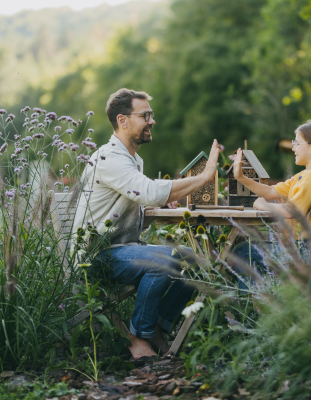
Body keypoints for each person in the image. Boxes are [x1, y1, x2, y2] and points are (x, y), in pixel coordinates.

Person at [72, 88, 220, 359]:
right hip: (95, 255)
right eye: (146, 115)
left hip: (121, 250)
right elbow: (149, 189)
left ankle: (155, 328)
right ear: (123, 120)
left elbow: (137, 194)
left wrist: (151, 203)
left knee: (193, 258)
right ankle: (139, 334)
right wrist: (205, 175)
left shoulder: (131, 159)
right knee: (163, 259)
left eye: (151, 115)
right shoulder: (109, 158)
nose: (152, 121)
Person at [230, 119, 311, 281]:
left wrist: (264, 206)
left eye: (297, 143)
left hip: (309, 251)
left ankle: (251, 302)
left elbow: (293, 211)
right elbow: (271, 190)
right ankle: (263, 297)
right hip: (306, 248)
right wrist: (241, 177)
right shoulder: (304, 176)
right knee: (244, 249)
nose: (293, 147)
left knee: (241, 252)